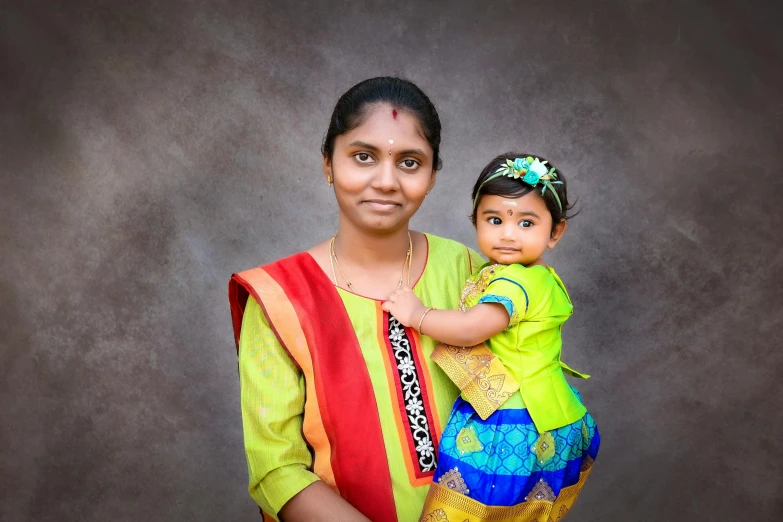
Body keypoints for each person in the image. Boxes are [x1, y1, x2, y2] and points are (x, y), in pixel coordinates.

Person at [228, 77, 485, 522]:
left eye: (409, 162)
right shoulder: (279, 298)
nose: (386, 182)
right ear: (328, 163)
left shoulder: (469, 272)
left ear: (432, 176)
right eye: (363, 157)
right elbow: (277, 470)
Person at [383, 153, 600, 521]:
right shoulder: (536, 275)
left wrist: (417, 315)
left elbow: (470, 330)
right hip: (554, 413)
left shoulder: (516, 281)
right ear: (476, 221)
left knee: (470, 509)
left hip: (515, 421)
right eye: (495, 220)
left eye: (527, 222)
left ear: (555, 232)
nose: (508, 234)